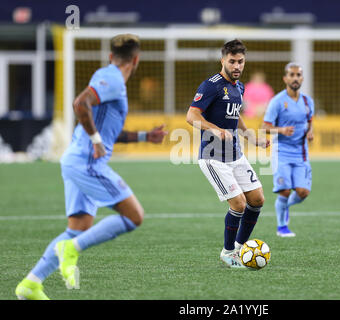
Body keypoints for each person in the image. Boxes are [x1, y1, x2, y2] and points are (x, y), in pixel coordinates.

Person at [15, 34, 168, 300]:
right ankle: (70, 249)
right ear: (136, 59)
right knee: (134, 216)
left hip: (75, 160)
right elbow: (79, 104)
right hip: (87, 162)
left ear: (111, 56)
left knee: (77, 228)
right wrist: (96, 141)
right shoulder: (113, 79)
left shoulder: (108, 78)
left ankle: (31, 283)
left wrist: (145, 136)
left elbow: (109, 132)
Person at [186, 39, 270, 268]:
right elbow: (191, 116)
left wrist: (251, 137)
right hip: (213, 158)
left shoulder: (239, 87)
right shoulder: (211, 85)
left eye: (240, 61)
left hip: (235, 154)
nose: (236, 66)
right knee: (239, 204)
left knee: (257, 199)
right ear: (223, 60)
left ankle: (242, 247)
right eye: (232, 61)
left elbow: (236, 116)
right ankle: (228, 251)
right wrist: (216, 129)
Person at [262, 63, 314, 237]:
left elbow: (310, 121)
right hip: (281, 152)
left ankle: (286, 207)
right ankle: (281, 227)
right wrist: (282, 130)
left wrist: (310, 132)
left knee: (302, 192)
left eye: (298, 75)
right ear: (285, 78)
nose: (295, 78)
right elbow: (264, 127)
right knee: (284, 190)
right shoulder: (277, 101)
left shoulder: (307, 101)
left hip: (301, 153)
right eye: (291, 75)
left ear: (302, 78)